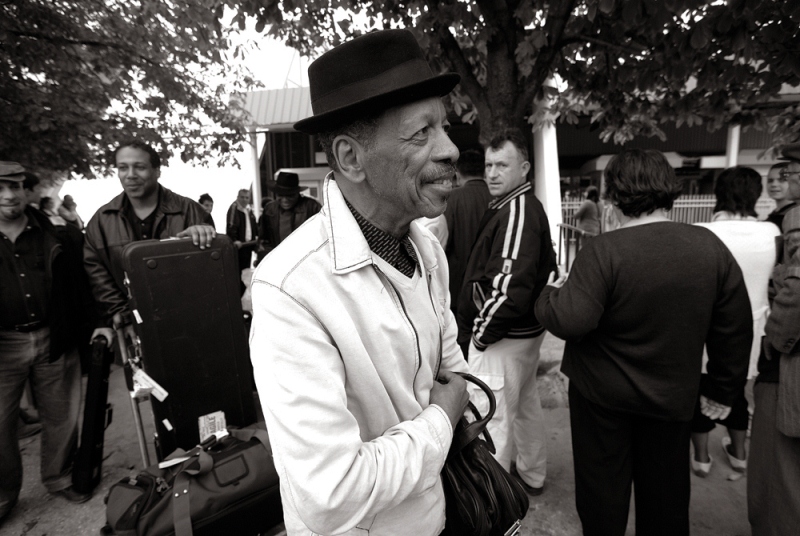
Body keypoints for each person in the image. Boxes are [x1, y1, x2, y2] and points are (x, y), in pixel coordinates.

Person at [249, 29, 470, 535]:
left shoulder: (428, 249)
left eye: (445, 127)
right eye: (422, 134)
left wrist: (453, 405)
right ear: (351, 159)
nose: (451, 149)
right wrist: (440, 422)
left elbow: (454, 374)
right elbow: (332, 494)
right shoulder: (290, 288)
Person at [535, 149, 752, 536]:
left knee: (602, 496)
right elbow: (734, 330)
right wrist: (721, 389)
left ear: (615, 195)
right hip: (671, 399)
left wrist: (549, 294)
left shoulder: (604, 251)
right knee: (666, 500)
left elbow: (571, 319)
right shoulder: (710, 248)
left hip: (601, 401)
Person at [456, 129, 557, 496]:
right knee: (525, 406)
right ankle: (532, 475)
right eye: (489, 164)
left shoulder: (516, 209)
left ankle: (495, 501)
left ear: (525, 168)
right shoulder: (518, 206)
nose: (493, 172)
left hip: (503, 338)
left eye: (503, 164)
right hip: (521, 335)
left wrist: (481, 334)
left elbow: (509, 287)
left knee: (493, 417)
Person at [0, 162, 101, 522]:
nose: (8, 195)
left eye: (14, 186)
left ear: (26, 190)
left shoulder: (55, 233)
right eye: (0, 189)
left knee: (62, 416)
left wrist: (95, 325)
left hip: (52, 335)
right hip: (4, 345)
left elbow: (82, 283)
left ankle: (59, 477)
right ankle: (3, 495)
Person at [689, 167, 780, 476]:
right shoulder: (772, 233)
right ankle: (739, 454)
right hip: (753, 331)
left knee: (700, 390)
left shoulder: (700, 232)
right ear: (757, 194)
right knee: (738, 392)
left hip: (705, 330)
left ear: (718, 194)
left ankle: (701, 458)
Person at [84, 140, 215, 328]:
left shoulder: (191, 212)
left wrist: (201, 240)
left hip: (189, 323)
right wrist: (125, 316)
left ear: (157, 171)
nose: (130, 175)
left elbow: (212, 273)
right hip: (133, 327)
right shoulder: (101, 221)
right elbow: (98, 276)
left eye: (139, 167)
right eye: (123, 168)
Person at [749, 171, 800, 536]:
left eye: (788, 173)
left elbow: (796, 287)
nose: (778, 181)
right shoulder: (771, 223)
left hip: (788, 362)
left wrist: (774, 339)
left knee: (779, 477)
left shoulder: (794, 219)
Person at [442, 148, 492, 314]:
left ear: (457, 173)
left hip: (458, 286)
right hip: (491, 285)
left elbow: (443, 241)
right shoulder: (497, 197)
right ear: (485, 170)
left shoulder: (451, 198)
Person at [257, 171, 321, 258]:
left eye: (290, 195)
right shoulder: (270, 209)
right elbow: (264, 240)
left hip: (305, 260)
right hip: (278, 260)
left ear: (297, 193)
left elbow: (322, 237)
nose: (285, 200)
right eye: (280, 195)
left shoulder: (312, 207)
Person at [226, 188, 258, 290]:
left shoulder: (248, 209)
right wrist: (234, 240)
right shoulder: (234, 208)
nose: (245, 200)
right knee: (238, 271)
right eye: (242, 197)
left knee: (246, 270)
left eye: (247, 197)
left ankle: (244, 291)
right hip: (239, 246)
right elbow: (231, 225)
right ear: (238, 197)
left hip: (248, 245)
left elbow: (253, 225)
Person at [765, 161, 800, 230]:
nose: (774, 184)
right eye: (770, 180)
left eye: (781, 180)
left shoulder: (795, 215)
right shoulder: (775, 215)